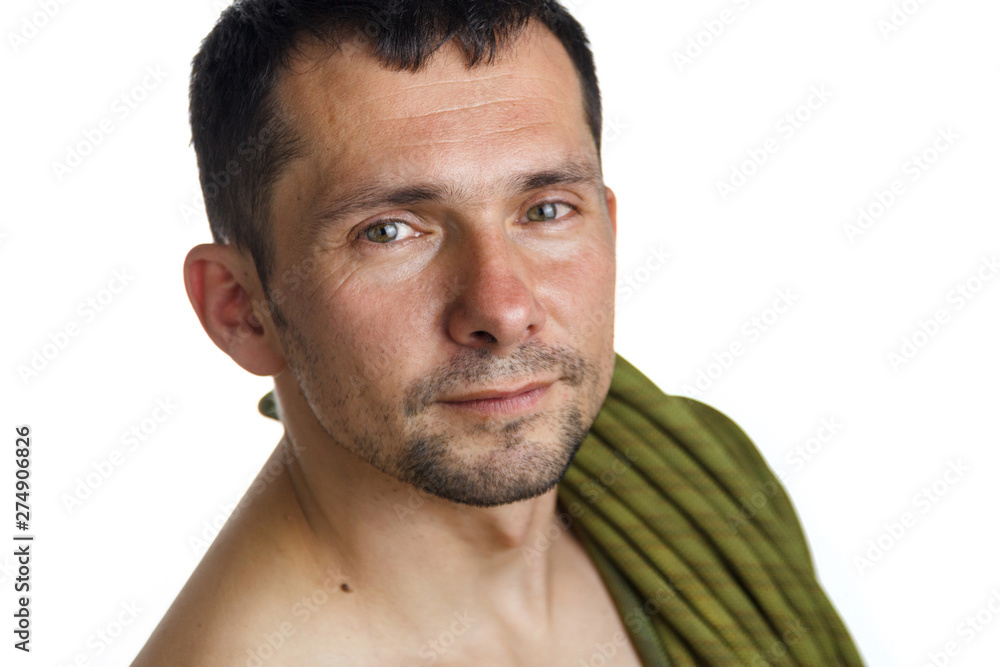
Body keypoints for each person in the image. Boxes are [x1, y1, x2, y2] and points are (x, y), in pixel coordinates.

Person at [133, 1, 863, 664]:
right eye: (388, 231)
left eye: (546, 210)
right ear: (241, 308)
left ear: (609, 224)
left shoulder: (695, 479)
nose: (503, 308)